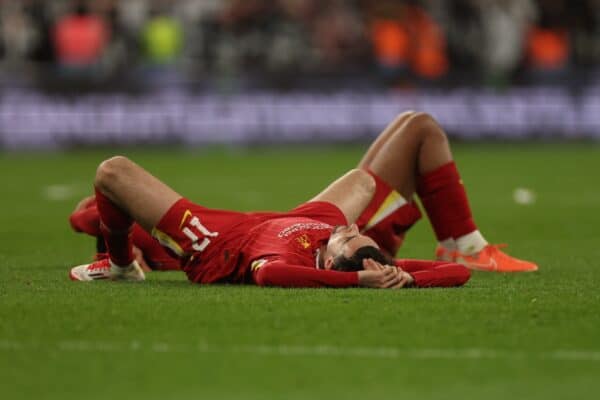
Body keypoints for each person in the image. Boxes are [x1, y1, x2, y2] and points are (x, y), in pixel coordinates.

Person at [69, 112, 537, 287]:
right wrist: (395, 275)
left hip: (226, 238)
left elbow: (271, 272)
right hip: (303, 221)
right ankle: (461, 243)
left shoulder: (280, 262)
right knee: (378, 166)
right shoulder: (336, 234)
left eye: (351, 237)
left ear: (332, 265)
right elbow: (450, 278)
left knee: (112, 172)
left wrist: (361, 282)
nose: (349, 230)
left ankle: (117, 265)